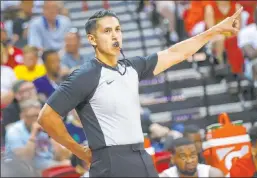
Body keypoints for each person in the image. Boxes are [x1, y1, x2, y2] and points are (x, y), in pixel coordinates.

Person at [37, 8, 243, 177]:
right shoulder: (85, 75)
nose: (115, 35)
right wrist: (78, 150)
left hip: (141, 155)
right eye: (107, 31)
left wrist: (214, 31)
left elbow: (176, 53)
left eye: (118, 29)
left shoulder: (132, 67)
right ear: (92, 39)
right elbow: (47, 117)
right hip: (111, 160)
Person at [5, 99, 71, 172]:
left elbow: (59, 157)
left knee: (72, 165)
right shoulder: (14, 130)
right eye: (34, 116)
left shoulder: (45, 127)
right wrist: (33, 134)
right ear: (23, 116)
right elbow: (24, 159)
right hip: (20, 170)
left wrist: (51, 136)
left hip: (45, 165)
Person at [159, 137, 223, 177]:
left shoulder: (212, 175)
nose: (190, 161)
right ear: (172, 159)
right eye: (183, 157)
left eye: (193, 155)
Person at [238, 2, 257, 81]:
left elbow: (256, 52)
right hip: (253, 66)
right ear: (255, 16)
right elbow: (251, 54)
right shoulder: (246, 32)